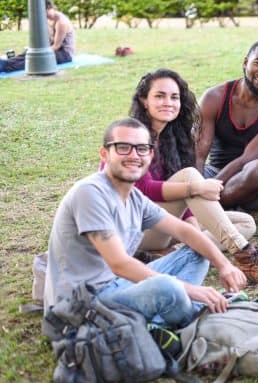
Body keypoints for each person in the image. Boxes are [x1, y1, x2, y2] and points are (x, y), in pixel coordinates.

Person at [44, 119, 247, 330]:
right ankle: (191, 317)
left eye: (142, 149)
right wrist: (189, 289)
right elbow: (119, 263)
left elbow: (183, 231)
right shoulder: (90, 193)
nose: (133, 155)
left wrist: (224, 265)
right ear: (104, 154)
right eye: (123, 147)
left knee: (197, 252)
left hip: (117, 285)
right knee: (169, 288)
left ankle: (165, 323)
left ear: (150, 156)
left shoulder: (133, 197)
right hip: (83, 305)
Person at [129, 68, 258, 284]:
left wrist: (192, 225)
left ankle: (172, 254)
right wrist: (195, 188)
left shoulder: (171, 138)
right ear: (143, 100)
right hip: (135, 228)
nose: (168, 102)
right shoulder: (132, 136)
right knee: (191, 177)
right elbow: (143, 190)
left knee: (245, 223)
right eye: (159, 96)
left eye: (174, 97)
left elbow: (180, 200)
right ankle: (245, 255)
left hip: (163, 225)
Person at [196, 40, 258, 212]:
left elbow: (247, 159)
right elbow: (199, 153)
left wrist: (205, 192)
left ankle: (204, 208)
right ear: (245, 63)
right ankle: (207, 206)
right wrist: (198, 185)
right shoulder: (214, 97)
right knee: (176, 158)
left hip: (253, 186)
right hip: (214, 172)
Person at [0, 0, 75, 73]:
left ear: (49, 7)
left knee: (37, 59)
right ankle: (4, 63)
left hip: (64, 54)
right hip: (51, 49)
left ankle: (6, 67)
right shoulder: (47, 19)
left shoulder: (61, 22)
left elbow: (56, 46)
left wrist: (39, 52)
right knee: (29, 52)